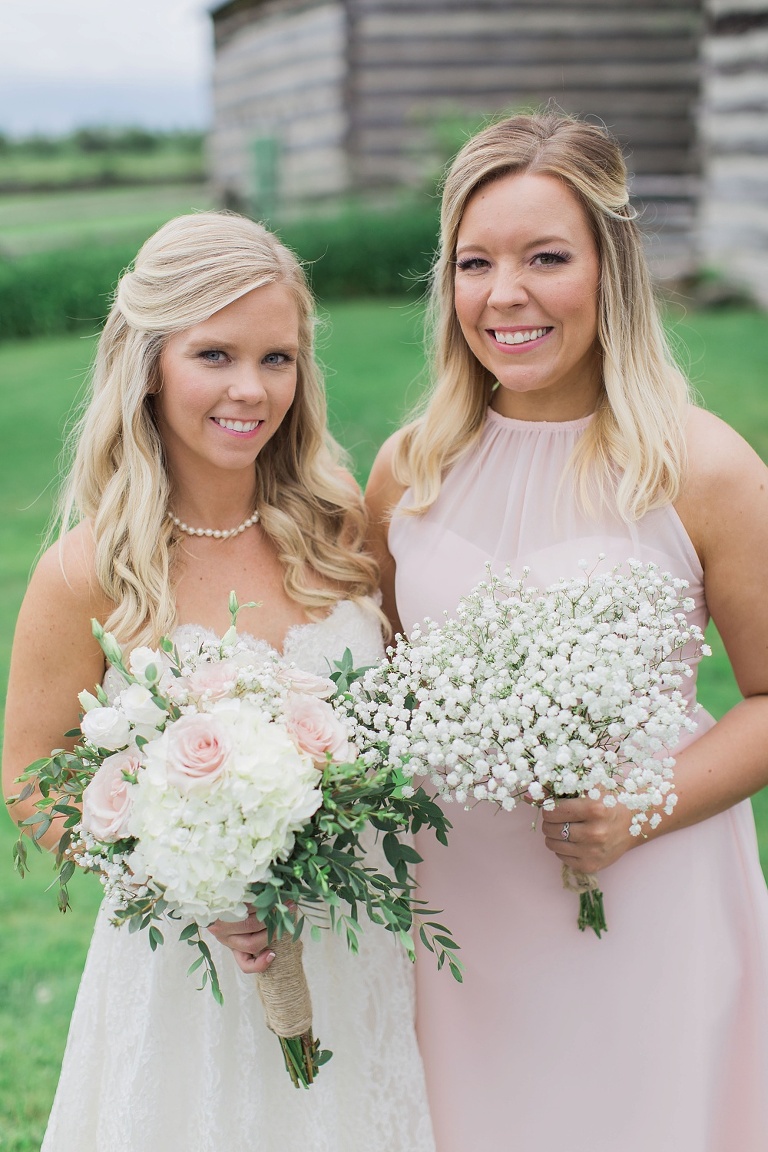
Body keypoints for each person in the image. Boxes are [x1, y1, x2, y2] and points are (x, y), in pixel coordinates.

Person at [366, 112, 768, 1152]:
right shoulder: (409, 468)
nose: (506, 294)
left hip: (646, 899)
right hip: (457, 913)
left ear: (610, 266)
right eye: (475, 263)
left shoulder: (702, 469)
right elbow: (375, 687)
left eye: (546, 257)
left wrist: (642, 806)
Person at [2, 212, 435, 1152]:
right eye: (215, 355)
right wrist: (181, 882)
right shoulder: (89, 572)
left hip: (356, 947)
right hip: (186, 972)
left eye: (277, 358)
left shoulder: (343, 531)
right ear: (149, 365)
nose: (252, 389)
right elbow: (29, 775)